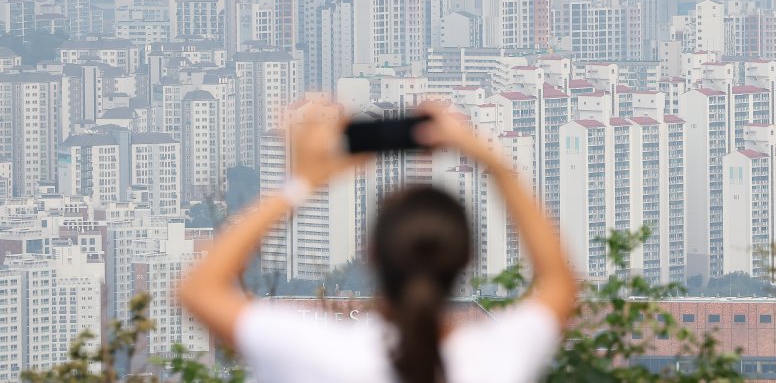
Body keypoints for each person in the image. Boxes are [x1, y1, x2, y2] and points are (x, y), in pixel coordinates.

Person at [179, 103, 578, 383]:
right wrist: (489, 159)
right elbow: (559, 281)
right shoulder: (497, 360)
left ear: (369, 253)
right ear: (467, 257)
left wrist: (305, 180)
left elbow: (200, 288)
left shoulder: (321, 353)